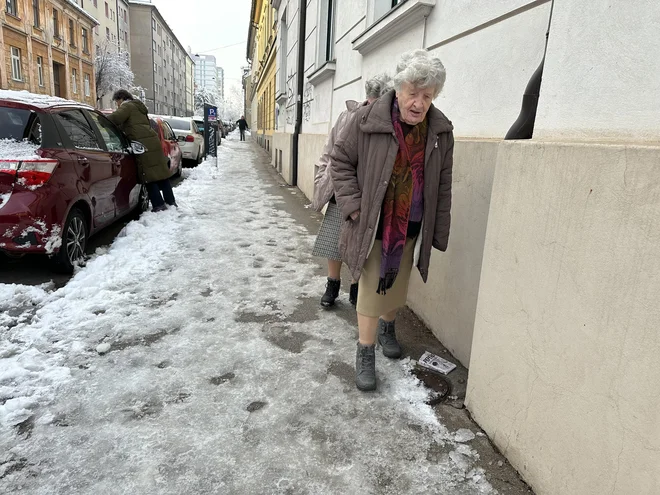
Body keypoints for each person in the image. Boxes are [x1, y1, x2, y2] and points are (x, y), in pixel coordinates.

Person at [330, 50, 454, 392]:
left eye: (427, 96)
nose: (419, 102)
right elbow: (339, 161)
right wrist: (354, 206)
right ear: (398, 89)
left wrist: (438, 229)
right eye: (413, 92)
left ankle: (388, 328)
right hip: (373, 225)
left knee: (397, 288)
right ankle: (365, 351)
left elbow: (443, 183)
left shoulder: (440, 131)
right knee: (370, 291)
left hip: (411, 224)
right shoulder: (368, 119)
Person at [311, 74, 392, 308]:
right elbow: (329, 150)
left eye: (375, 102)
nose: (370, 106)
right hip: (342, 188)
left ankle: (357, 287)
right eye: (368, 101)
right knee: (333, 239)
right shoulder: (347, 116)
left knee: (362, 243)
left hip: (368, 193)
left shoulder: (388, 122)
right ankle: (332, 284)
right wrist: (322, 177)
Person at [108, 89, 176, 212]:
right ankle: (171, 202)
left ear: (121, 99)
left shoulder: (127, 106)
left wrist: (101, 119)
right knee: (161, 175)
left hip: (142, 144)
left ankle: (159, 206)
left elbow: (115, 119)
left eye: (117, 102)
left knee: (148, 176)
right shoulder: (138, 107)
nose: (117, 105)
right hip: (152, 142)